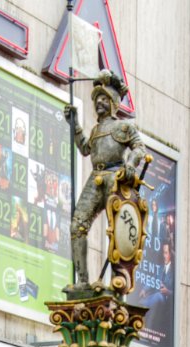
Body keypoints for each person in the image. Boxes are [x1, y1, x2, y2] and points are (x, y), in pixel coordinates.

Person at [63, 70, 146, 293]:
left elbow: (139, 147)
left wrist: (130, 165)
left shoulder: (124, 127)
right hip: (95, 178)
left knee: (118, 226)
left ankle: (118, 278)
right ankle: (83, 280)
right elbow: (85, 148)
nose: (99, 102)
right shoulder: (96, 130)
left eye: (103, 99)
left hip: (115, 177)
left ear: (113, 102)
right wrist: (74, 125)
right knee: (77, 226)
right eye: (97, 99)